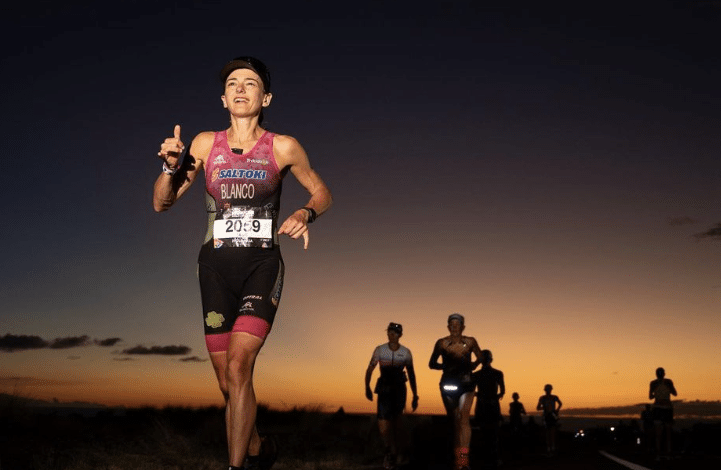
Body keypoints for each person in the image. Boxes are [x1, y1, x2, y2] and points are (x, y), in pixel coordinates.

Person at [153, 56, 332, 470]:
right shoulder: (202, 144)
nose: (239, 88)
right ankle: (257, 446)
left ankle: (237, 467)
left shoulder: (283, 147)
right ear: (222, 98)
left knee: (239, 365)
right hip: (214, 268)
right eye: (232, 83)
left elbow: (322, 192)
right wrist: (169, 167)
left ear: (265, 96)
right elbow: (162, 203)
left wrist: (306, 213)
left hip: (261, 265)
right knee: (227, 381)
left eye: (250, 83)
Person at [429, 313, 482, 470]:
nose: (454, 327)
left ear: (463, 326)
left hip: (467, 383)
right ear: (448, 327)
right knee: (455, 421)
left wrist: (473, 365)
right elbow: (431, 363)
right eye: (451, 324)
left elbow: (480, 357)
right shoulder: (442, 343)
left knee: (463, 418)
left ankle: (463, 460)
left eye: (457, 324)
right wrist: (443, 367)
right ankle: (457, 460)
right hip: (449, 383)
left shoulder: (470, 341)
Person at [365, 322, 419, 469]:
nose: (391, 335)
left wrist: (415, 395)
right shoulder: (380, 350)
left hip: (399, 388)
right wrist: (367, 387)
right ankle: (389, 451)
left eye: (395, 332)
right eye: (389, 332)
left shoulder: (406, 352)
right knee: (382, 422)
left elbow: (412, 374)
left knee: (396, 422)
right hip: (384, 388)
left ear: (400, 334)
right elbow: (369, 369)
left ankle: (397, 453)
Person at [472, 349, 505, 467]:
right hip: (489, 405)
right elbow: (502, 391)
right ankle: (491, 458)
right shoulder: (497, 373)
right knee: (491, 434)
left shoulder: (477, 375)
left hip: (485, 405)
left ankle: (489, 458)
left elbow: (502, 391)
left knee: (487, 434)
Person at [649, 367, 677, 459]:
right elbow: (674, 393)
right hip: (667, 408)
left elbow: (650, 396)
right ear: (664, 374)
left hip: (658, 408)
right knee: (668, 432)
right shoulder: (668, 382)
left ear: (656, 374)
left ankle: (659, 454)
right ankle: (667, 453)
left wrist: (656, 393)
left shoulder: (653, 383)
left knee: (659, 433)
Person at [536, 384, 562, 456]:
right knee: (548, 433)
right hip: (547, 416)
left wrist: (556, 411)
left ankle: (552, 448)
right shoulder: (542, 398)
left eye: (549, 389)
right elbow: (538, 408)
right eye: (547, 390)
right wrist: (544, 408)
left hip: (552, 416)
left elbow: (560, 404)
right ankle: (549, 448)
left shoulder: (554, 397)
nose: (548, 391)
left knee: (552, 432)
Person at [508, 392, 526, 457]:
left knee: (515, 435)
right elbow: (524, 412)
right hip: (516, 420)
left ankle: (515, 450)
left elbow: (510, 412)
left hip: (514, 420)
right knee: (516, 435)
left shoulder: (512, 404)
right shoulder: (518, 404)